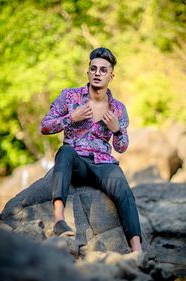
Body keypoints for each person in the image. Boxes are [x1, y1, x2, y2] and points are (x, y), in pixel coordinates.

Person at [41, 47, 142, 253]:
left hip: (103, 165)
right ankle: (59, 220)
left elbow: (121, 147)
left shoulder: (118, 109)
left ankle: (137, 250)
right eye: (93, 69)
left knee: (123, 188)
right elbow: (45, 126)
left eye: (103, 70)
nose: (97, 73)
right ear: (87, 72)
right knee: (65, 152)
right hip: (76, 161)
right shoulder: (70, 97)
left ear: (111, 76)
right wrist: (71, 118)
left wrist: (117, 130)